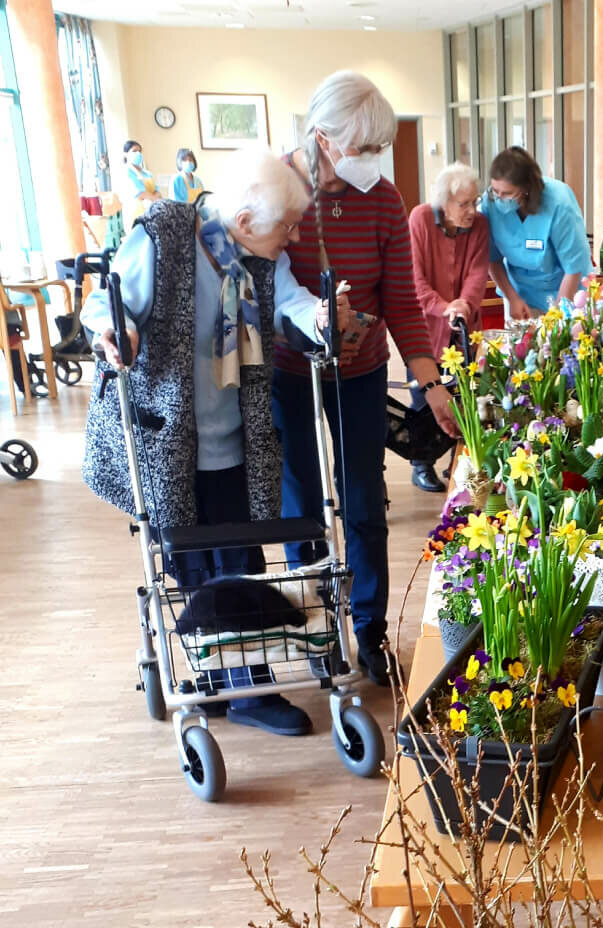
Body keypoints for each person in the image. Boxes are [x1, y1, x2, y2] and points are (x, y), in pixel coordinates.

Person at [81, 149, 347, 736]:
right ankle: (205, 674)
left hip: (234, 439)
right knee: (189, 564)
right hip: (168, 440)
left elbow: (294, 297)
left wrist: (320, 317)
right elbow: (107, 298)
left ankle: (250, 689)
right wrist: (114, 329)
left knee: (244, 560)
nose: (295, 235)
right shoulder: (166, 235)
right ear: (247, 221)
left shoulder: (256, 256)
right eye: (288, 225)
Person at [274, 70, 457, 686]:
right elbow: (262, 285)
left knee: (362, 500)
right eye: (364, 146)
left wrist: (431, 386)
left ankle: (371, 630)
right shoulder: (282, 186)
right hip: (289, 368)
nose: (374, 159)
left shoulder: (382, 198)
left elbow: (403, 304)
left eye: (381, 145)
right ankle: (317, 626)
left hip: (362, 368)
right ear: (324, 138)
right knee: (301, 495)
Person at [406, 162, 491, 492]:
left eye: (475, 201)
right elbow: (414, 280)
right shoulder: (421, 219)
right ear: (444, 201)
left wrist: (464, 306)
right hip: (425, 326)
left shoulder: (480, 226)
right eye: (464, 203)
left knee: (462, 394)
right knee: (423, 397)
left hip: (463, 326)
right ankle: (420, 463)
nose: (472, 210)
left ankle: (454, 461)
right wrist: (445, 307)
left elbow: (477, 274)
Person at [481, 146, 591, 320]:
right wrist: (512, 297)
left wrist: (556, 317)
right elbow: (492, 260)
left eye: (507, 193)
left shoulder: (559, 203)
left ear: (526, 189)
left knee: (559, 343)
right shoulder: (490, 203)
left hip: (565, 290)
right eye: (496, 191)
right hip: (518, 292)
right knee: (520, 346)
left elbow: (573, 267)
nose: (499, 198)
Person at [121, 140, 161, 228]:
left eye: (140, 151)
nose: (138, 154)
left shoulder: (147, 173)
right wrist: (155, 199)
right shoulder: (127, 172)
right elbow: (139, 194)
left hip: (151, 212)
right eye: (134, 151)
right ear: (126, 154)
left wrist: (156, 198)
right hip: (136, 214)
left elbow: (157, 190)